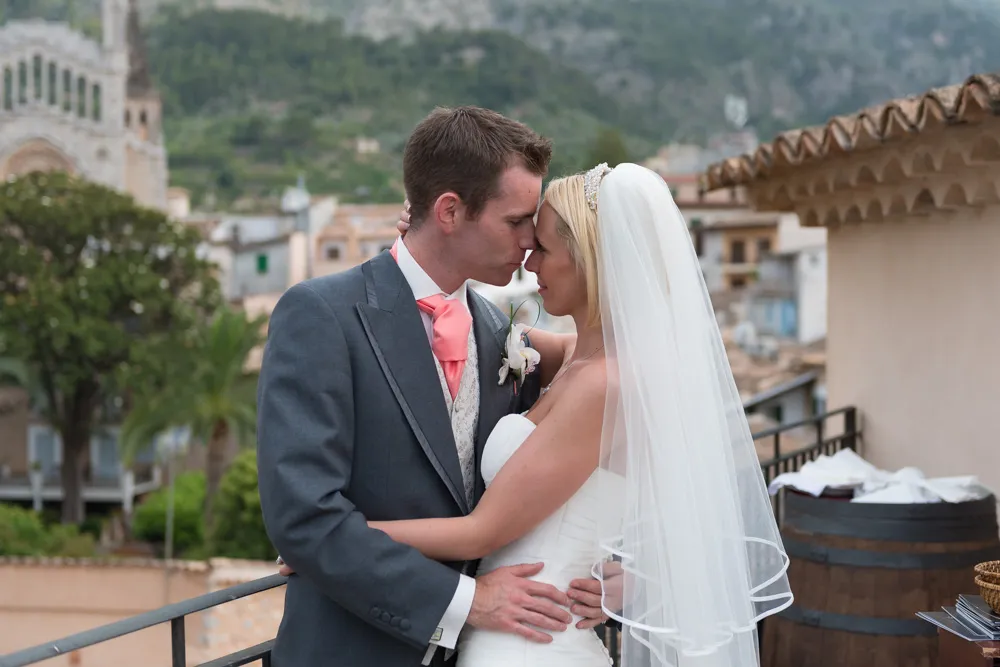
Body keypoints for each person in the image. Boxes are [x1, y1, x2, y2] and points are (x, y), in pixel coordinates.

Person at [290, 162, 795, 667]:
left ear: (592, 263)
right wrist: (433, 248)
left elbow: (481, 532)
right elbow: (461, 325)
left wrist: (330, 542)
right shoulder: (579, 355)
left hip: (525, 641)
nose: (529, 265)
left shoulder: (607, 383)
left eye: (544, 250)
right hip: (518, 631)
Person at [256, 106, 611, 667]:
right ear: (449, 211)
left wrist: (613, 575)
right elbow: (303, 517)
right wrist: (469, 602)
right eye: (517, 221)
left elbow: (589, 445)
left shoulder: (504, 335)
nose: (528, 241)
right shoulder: (321, 316)